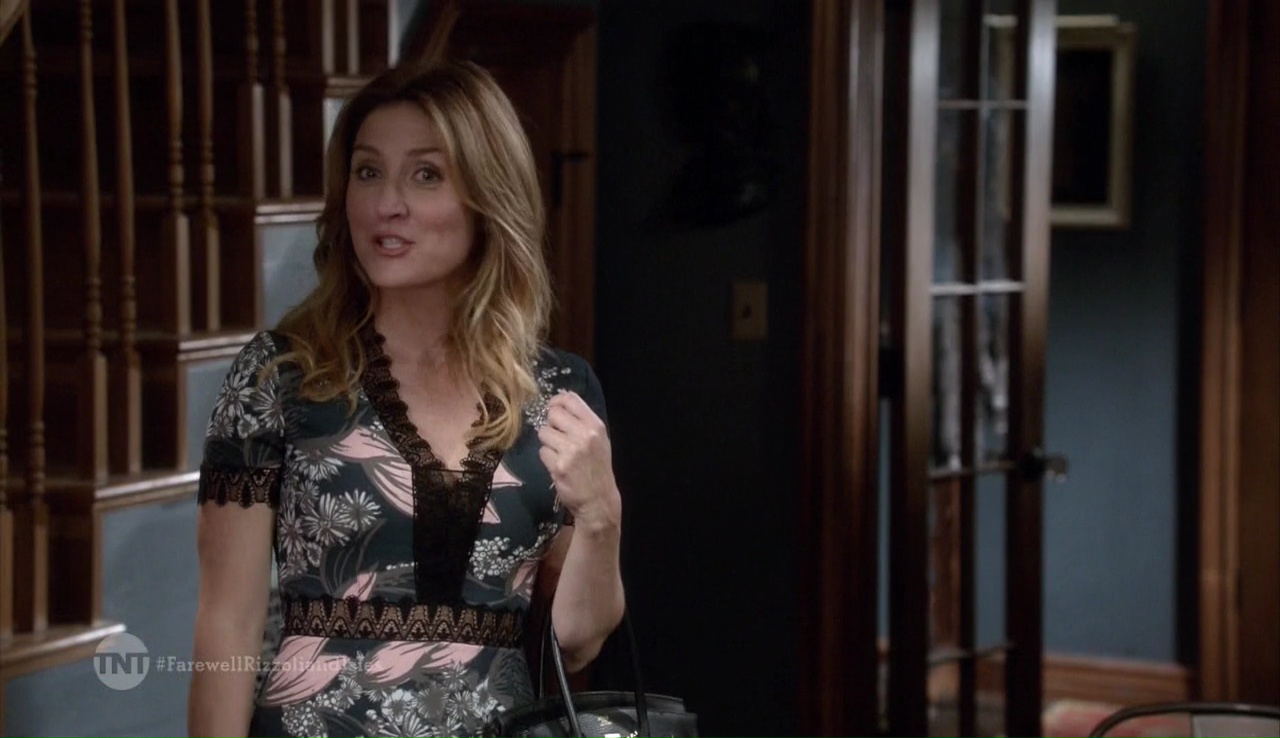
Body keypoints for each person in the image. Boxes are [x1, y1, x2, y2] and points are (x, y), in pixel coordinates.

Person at [187, 60, 625, 738]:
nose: (386, 203)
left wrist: (601, 517)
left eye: (426, 175)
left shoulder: (559, 393)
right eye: (368, 171)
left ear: (487, 197)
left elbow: (576, 642)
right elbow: (227, 625)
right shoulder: (281, 377)